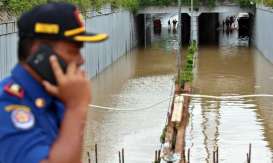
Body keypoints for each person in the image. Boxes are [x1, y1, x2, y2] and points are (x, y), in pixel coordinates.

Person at [0, 2, 108, 163]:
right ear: (40, 53)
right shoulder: (7, 107)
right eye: (73, 51)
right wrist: (76, 108)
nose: (81, 60)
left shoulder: (52, 97)